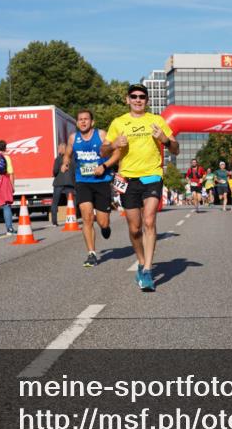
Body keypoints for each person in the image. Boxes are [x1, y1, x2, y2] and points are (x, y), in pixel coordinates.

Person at [103, 84, 179, 291]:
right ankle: (141, 260)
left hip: (152, 176)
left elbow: (176, 148)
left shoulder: (157, 120)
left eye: (142, 97)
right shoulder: (119, 122)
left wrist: (164, 140)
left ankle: (147, 270)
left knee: (149, 220)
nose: (138, 100)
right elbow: (103, 150)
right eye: (134, 97)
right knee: (134, 228)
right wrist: (113, 144)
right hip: (128, 179)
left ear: (147, 100)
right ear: (127, 100)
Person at [64, 109, 117, 267]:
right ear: (77, 122)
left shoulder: (101, 135)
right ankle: (91, 253)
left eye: (86, 119)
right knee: (86, 217)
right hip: (83, 182)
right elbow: (67, 153)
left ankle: (105, 228)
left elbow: (116, 153)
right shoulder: (73, 138)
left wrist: (104, 165)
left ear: (92, 122)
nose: (83, 122)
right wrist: (65, 162)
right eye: (80, 119)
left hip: (101, 181)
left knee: (103, 221)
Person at [51, 142, 76, 226]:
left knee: (55, 202)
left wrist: (55, 175)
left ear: (62, 149)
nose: (58, 150)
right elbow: (76, 170)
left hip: (58, 183)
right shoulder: (72, 158)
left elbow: (55, 171)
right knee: (71, 202)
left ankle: (54, 222)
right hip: (70, 183)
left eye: (59, 149)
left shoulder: (58, 159)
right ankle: (72, 218)